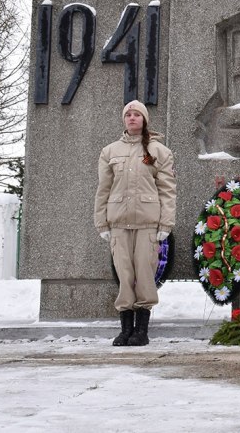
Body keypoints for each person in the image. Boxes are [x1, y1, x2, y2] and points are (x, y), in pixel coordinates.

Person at [94, 100, 176, 346]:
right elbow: (103, 189)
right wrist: (102, 223)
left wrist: (165, 224)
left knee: (145, 274)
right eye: (128, 115)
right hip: (118, 223)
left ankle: (141, 331)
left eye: (136, 115)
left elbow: (168, 190)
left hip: (147, 224)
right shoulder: (109, 152)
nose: (132, 118)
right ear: (123, 119)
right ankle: (125, 329)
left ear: (144, 120)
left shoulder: (159, 152)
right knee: (124, 275)